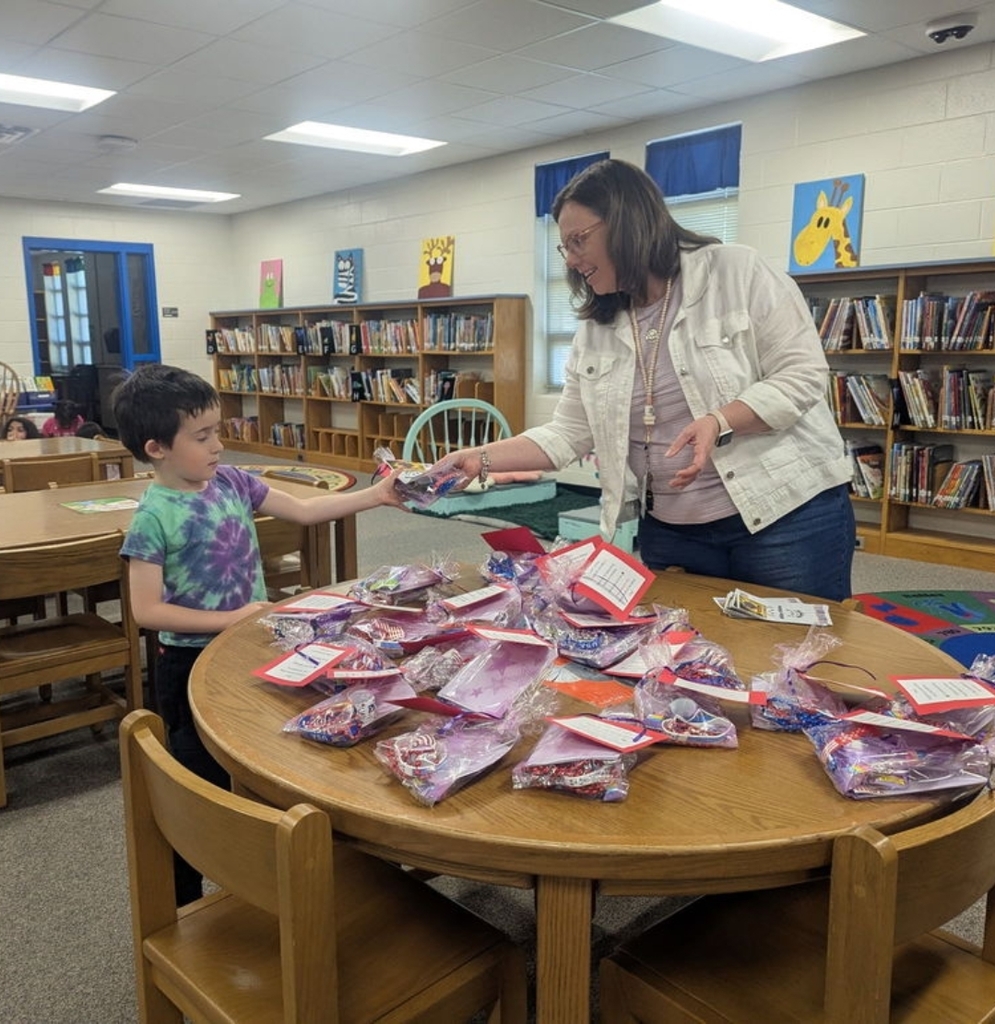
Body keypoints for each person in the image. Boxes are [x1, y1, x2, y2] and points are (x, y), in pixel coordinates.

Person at [440, 158, 855, 601]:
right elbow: (568, 432)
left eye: (579, 241)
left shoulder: (737, 272)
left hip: (785, 515)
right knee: (689, 659)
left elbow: (802, 375)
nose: (573, 260)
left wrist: (721, 420)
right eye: (565, 247)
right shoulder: (597, 327)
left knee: (804, 654)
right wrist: (479, 458)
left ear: (627, 222)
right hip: (674, 532)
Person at [112, 363, 406, 902]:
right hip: (189, 665)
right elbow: (147, 610)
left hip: (248, 646)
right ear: (156, 448)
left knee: (261, 758)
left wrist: (377, 496)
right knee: (195, 783)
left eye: (217, 431)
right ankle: (186, 903)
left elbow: (304, 509)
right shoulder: (153, 517)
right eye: (202, 437)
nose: (218, 445)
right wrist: (231, 618)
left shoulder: (231, 481)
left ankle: (271, 880)